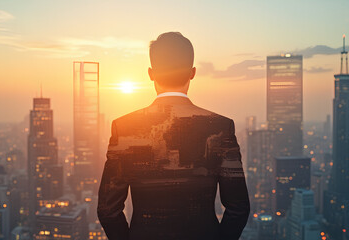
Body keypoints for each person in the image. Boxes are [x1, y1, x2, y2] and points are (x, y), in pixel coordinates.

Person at [97, 32, 250, 240]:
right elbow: (239, 208)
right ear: (193, 72)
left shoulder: (124, 128)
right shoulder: (222, 127)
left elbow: (108, 209)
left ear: (151, 73)